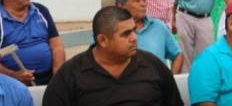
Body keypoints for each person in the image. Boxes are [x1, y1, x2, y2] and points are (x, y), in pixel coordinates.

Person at [43, 6, 183, 105]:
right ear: (103, 40)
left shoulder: (153, 65)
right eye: (126, 34)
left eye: (133, 30)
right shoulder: (70, 75)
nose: (134, 38)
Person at [103, 0, 183, 73]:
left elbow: (178, 54)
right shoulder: (110, 31)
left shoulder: (158, 27)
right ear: (121, 5)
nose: (143, 3)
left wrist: (170, 80)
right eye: (137, 0)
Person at [0, 0, 64, 85]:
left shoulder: (41, 10)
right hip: (11, 83)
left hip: (50, 78)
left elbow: (57, 47)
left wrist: (58, 77)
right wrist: (12, 76)